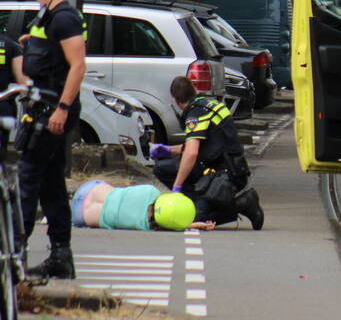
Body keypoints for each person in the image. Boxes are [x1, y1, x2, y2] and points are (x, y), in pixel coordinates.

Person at [18, 0, 87, 280]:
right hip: (43, 105)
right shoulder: (47, 18)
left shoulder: (64, 18)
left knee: (27, 178)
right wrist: (32, 45)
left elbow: (77, 65)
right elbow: (53, 56)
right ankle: (61, 255)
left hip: (51, 110)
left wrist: (62, 107)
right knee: (51, 184)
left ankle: (14, 253)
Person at [152, 76, 263, 229]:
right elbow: (205, 144)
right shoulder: (208, 104)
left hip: (226, 174)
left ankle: (243, 203)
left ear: (175, 100)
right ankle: (196, 201)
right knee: (162, 167)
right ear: (194, 90)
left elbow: (191, 153)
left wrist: (176, 187)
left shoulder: (196, 113)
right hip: (226, 168)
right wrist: (167, 150)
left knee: (193, 219)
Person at [70, 181, 212, 231]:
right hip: (82, 215)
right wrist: (192, 225)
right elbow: (169, 222)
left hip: (90, 190)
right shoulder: (145, 225)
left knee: (113, 194)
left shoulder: (150, 191)